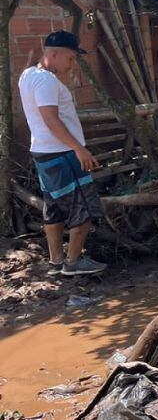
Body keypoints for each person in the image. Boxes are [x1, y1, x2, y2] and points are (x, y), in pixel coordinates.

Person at [19, 31, 107, 277]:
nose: (72, 64)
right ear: (54, 54)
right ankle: (73, 262)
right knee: (85, 207)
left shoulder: (28, 75)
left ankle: (56, 261)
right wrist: (79, 148)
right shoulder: (46, 81)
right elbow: (51, 119)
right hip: (63, 153)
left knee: (54, 208)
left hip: (43, 153)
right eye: (70, 58)